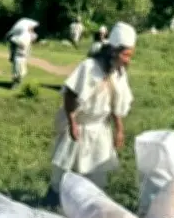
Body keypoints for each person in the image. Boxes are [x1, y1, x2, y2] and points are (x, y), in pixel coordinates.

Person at [50, 22, 136, 193]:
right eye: (125, 55)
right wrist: (72, 123)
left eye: (130, 56)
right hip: (80, 125)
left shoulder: (119, 73)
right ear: (114, 51)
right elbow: (70, 94)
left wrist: (119, 129)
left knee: (96, 173)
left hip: (99, 128)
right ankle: (54, 200)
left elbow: (116, 104)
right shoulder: (89, 67)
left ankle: (88, 203)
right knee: (67, 172)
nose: (128, 60)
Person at [7, 18, 38, 89]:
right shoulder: (17, 36)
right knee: (17, 70)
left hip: (24, 56)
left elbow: (34, 38)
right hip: (17, 55)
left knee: (22, 71)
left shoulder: (29, 35)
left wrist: (31, 32)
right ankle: (15, 84)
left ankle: (18, 82)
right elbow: (11, 39)